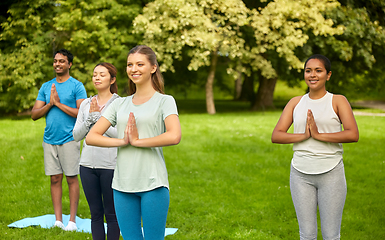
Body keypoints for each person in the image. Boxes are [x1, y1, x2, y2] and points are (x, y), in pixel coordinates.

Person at [85, 45, 181, 240]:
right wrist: (122, 141)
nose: (133, 69)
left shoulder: (165, 101)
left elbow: (174, 136)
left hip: (153, 184)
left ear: (153, 67)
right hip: (121, 185)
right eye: (130, 64)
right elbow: (92, 136)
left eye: (140, 64)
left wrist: (137, 142)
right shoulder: (120, 103)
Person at [271, 54, 359, 240]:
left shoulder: (337, 101)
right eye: (308, 70)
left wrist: (318, 135)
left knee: (330, 235)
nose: (312, 74)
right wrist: (303, 135)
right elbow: (276, 135)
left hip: (331, 173)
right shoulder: (295, 103)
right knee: (307, 235)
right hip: (300, 174)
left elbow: (352, 134)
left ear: (328, 75)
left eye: (318, 70)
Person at [31, 49, 87, 231]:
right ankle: (58, 220)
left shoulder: (77, 86)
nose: (57, 64)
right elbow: (34, 114)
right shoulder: (46, 87)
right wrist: (50, 104)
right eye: (55, 61)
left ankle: (71, 221)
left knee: (71, 178)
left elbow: (82, 113)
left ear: (69, 64)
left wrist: (59, 104)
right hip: (49, 139)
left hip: (70, 138)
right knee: (55, 178)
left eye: (62, 61)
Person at [73, 62, 120, 240]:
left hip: (111, 166)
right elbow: (76, 135)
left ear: (112, 79)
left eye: (102, 74)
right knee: (96, 214)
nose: (97, 77)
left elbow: (120, 136)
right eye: (95, 74)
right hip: (86, 166)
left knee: (112, 214)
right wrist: (88, 121)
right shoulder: (86, 104)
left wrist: (99, 120)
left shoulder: (120, 104)